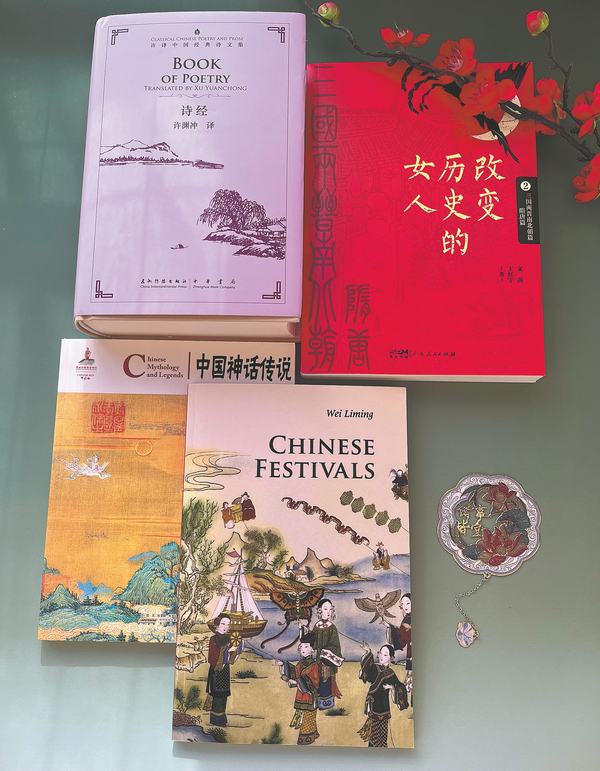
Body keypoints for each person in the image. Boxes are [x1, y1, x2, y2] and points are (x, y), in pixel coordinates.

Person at [275, 628, 321, 745]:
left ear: (312, 649)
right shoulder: (301, 663)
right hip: (301, 694)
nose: (302, 649)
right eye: (301, 647)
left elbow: (314, 682)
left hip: (309, 696)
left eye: (306, 646)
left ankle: (306, 739)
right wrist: (283, 664)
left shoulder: (314, 665)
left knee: (307, 718)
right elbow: (294, 672)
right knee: (306, 718)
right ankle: (313, 734)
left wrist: (297, 682)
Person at [358, 643, 408, 747]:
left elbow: (400, 686)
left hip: (384, 708)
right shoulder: (375, 668)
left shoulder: (391, 673)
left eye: (385, 654)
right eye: (380, 653)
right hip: (373, 705)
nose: (381, 656)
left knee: (382, 734)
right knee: (373, 734)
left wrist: (392, 687)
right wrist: (368, 652)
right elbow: (366, 671)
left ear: (391, 658)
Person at [203, 614, 241, 726]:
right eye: (223, 624)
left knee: (224, 696)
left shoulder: (229, 638)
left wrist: (236, 648)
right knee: (217, 696)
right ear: (217, 624)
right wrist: (227, 651)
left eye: (228, 624)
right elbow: (212, 658)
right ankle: (216, 721)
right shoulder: (213, 639)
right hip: (216, 670)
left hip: (225, 671)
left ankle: (222, 720)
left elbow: (233, 656)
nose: (226, 627)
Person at [312, 598, 343, 709]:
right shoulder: (316, 626)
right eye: (325, 609)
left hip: (327, 662)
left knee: (327, 682)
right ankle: (318, 703)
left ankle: (327, 705)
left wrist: (326, 654)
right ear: (320, 610)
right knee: (318, 681)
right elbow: (314, 644)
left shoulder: (332, 627)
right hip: (318, 661)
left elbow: (336, 646)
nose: (328, 612)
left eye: (330, 609)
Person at [383, 593, 412, 703]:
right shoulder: (407, 619)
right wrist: (389, 627)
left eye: (408, 603)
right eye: (403, 604)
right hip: (411, 651)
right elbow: (402, 637)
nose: (405, 606)